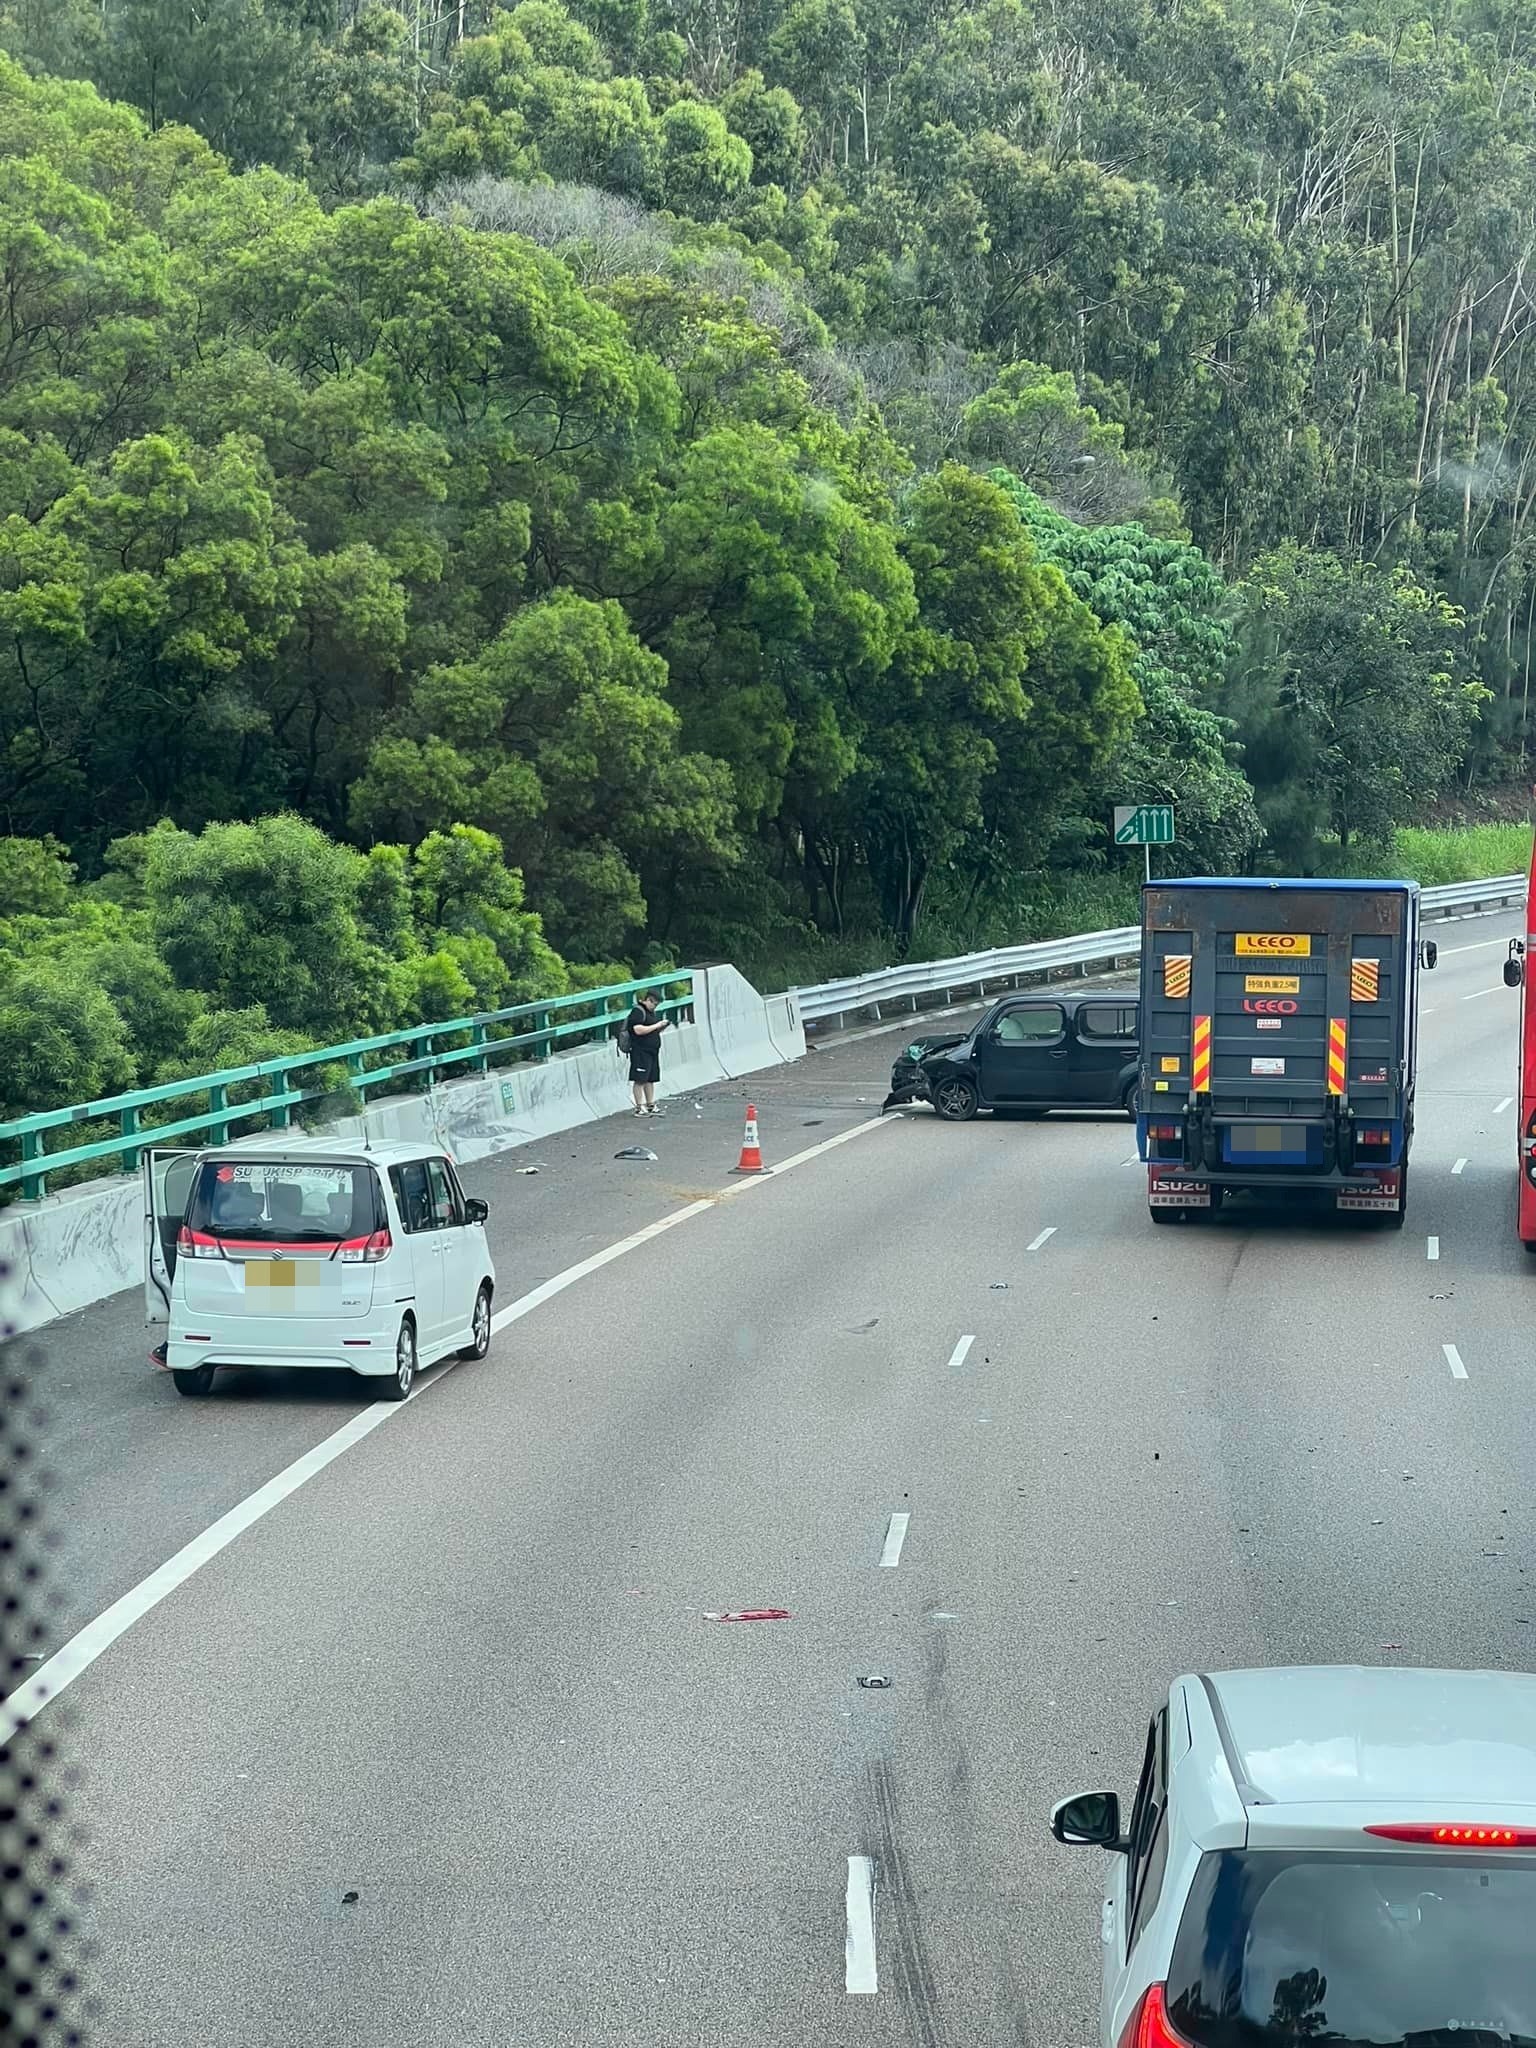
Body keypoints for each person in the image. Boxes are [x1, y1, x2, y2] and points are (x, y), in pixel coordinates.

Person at [625, 989, 669, 1115]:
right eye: (654, 1004)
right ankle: (639, 1106)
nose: (655, 1007)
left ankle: (650, 1104)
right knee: (640, 1079)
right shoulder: (638, 1011)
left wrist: (661, 1027)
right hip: (640, 1050)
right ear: (648, 1000)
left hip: (652, 1050)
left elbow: (651, 1030)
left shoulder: (651, 1013)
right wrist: (657, 1025)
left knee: (650, 1079)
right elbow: (638, 1030)